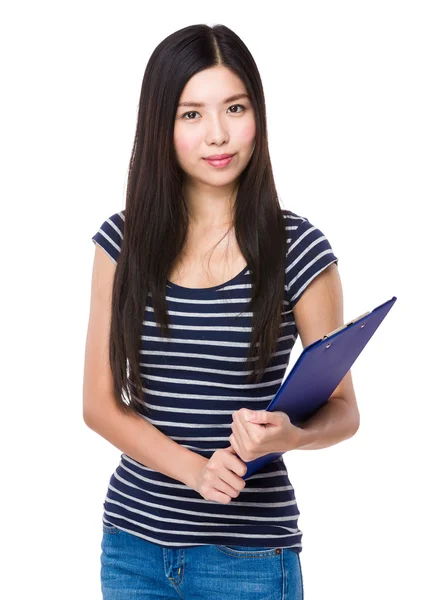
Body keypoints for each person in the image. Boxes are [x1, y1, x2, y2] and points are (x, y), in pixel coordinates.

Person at [84, 23, 360, 600]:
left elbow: (344, 410)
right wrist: (193, 470)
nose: (218, 134)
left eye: (234, 107)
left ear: (256, 113)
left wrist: (289, 436)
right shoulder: (123, 242)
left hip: (251, 558)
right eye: (191, 114)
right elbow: (99, 405)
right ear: (161, 125)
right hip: (133, 547)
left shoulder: (298, 249)